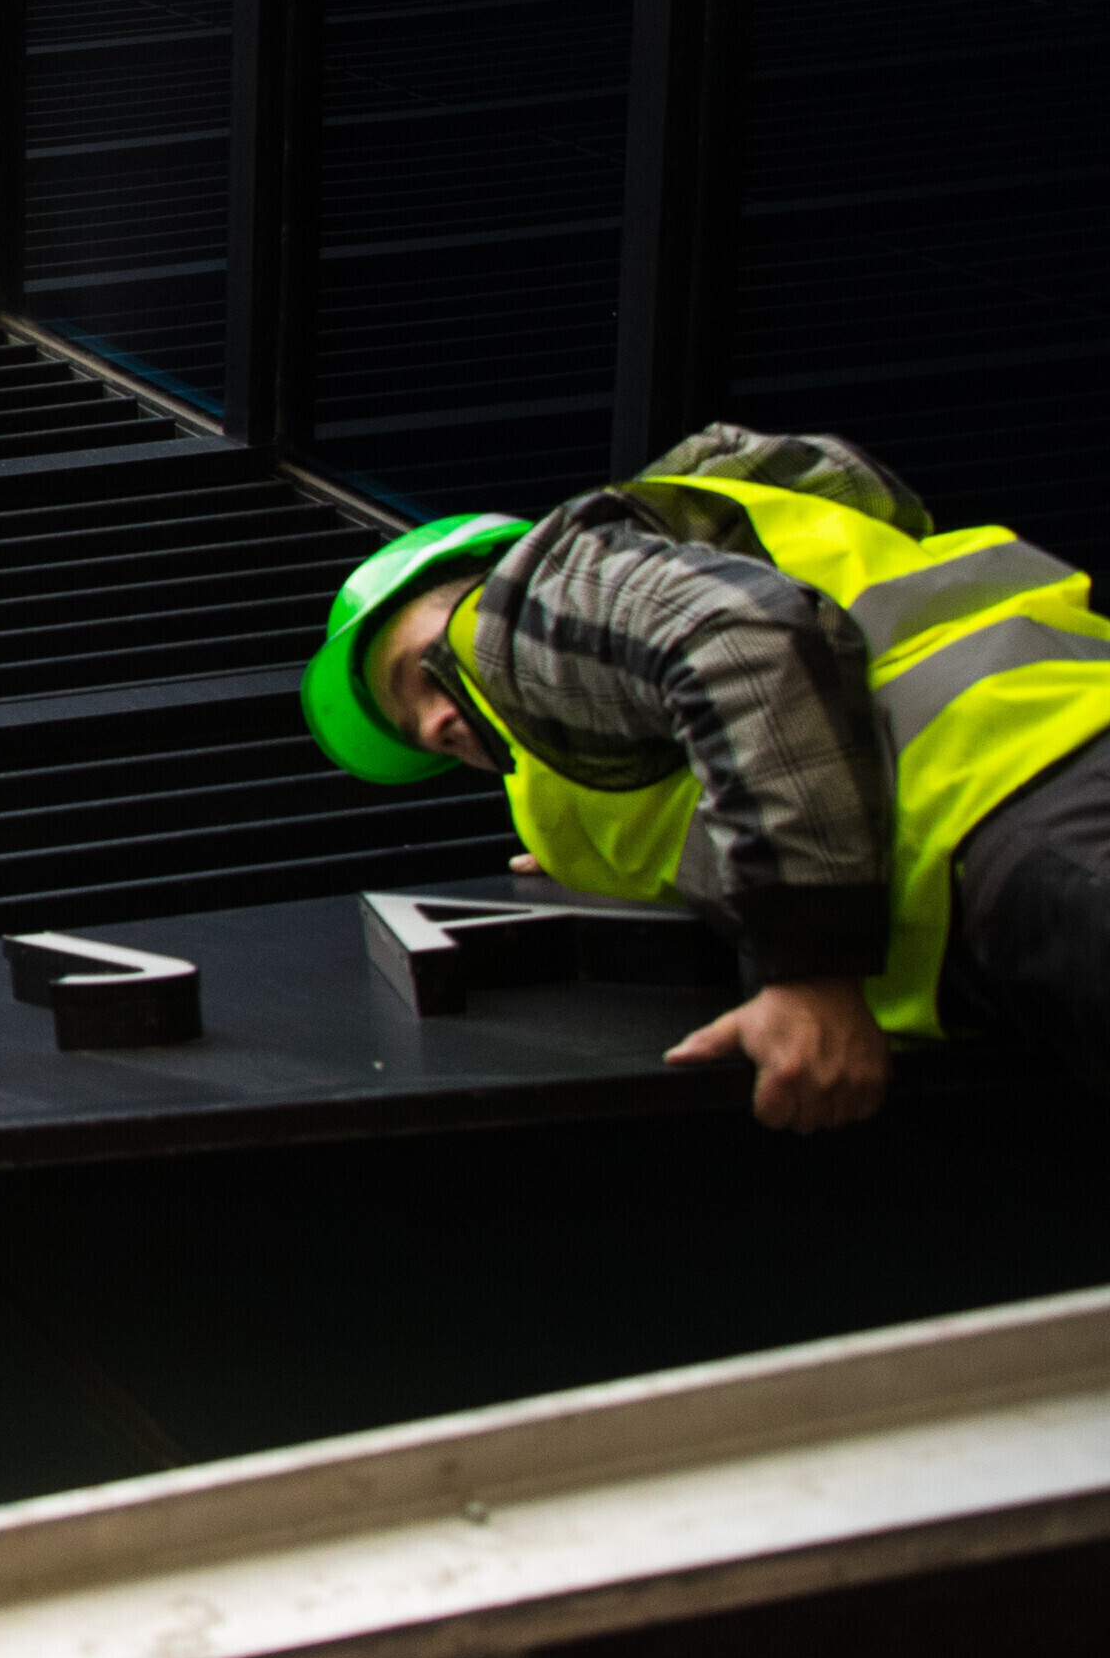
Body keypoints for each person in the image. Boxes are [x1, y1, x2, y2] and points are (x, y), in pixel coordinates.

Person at [303, 423, 1110, 1129]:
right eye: (418, 734)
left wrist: (807, 972)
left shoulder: (523, 600)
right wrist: (603, 841)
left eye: (421, 674)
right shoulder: (708, 582)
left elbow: (743, 644)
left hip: (1015, 816)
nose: (436, 726)